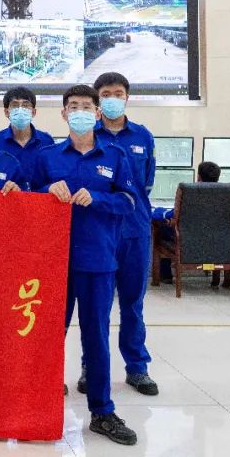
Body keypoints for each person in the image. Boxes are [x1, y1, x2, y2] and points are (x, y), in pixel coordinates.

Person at [30, 84, 138, 446]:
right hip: (54, 263)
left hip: (97, 261)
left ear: (97, 113)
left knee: (96, 337)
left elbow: (129, 202)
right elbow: (26, 200)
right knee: (48, 336)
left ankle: (102, 412)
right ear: (63, 114)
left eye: (86, 107)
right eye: (72, 106)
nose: (79, 112)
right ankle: (37, 406)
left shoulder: (116, 156)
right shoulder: (47, 157)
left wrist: (99, 199)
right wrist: (45, 192)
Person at [76, 72, 159, 397]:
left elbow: (145, 183)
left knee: (132, 302)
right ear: (97, 102)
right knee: (95, 308)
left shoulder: (142, 136)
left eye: (118, 93)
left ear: (127, 97)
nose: (112, 98)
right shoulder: (87, 136)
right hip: (98, 234)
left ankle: (137, 368)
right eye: (106, 94)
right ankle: (91, 366)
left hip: (134, 231)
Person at [153, 161, 221, 284]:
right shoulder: (225, 194)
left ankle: (165, 276)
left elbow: (172, 215)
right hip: (215, 243)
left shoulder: (190, 193)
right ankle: (215, 276)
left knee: (162, 228)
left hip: (186, 242)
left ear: (198, 177)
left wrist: (156, 211)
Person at [0, 86, 55, 170]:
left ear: (33, 112)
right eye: (15, 105)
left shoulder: (47, 141)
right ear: (6, 112)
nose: (20, 110)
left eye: (25, 105)